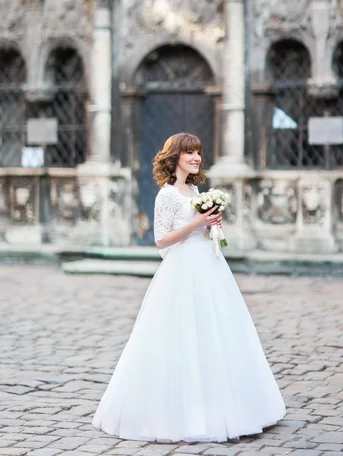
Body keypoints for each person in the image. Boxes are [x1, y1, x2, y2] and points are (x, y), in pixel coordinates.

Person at [92, 132, 286, 442]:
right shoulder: (166, 195)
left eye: (198, 152)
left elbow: (204, 233)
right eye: (189, 153)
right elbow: (160, 240)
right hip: (182, 270)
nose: (196, 158)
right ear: (175, 158)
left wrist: (212, 227)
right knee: (180, 334)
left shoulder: (196, 189)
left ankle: (228, 406)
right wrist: (195, 224)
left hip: (209, 266)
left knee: (217, 330)